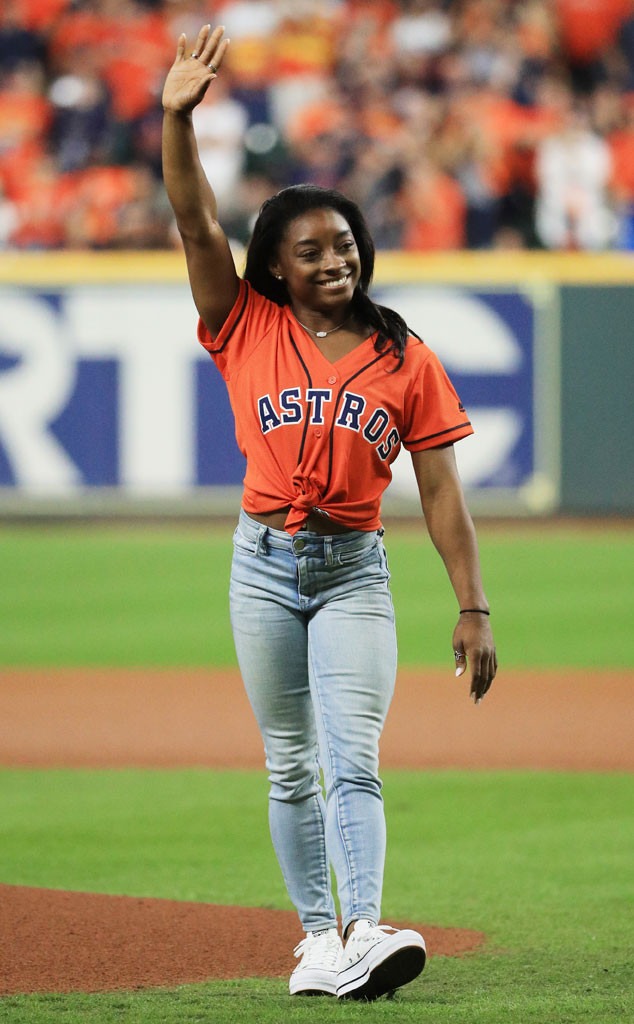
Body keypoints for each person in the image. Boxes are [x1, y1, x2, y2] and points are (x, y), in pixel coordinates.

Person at [162, 24, 497, 1002]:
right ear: (272, 267)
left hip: (353, 568)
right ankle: (319, 941)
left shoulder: (404, 354)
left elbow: (439, 491)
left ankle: (361, 925)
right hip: (262, 562)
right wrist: (177, 119)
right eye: (309, 249)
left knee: (351, 762)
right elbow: (191, 220)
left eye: (343, 243)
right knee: (286, 765)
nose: (333, 258)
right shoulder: (243, 323)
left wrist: (472, 606)